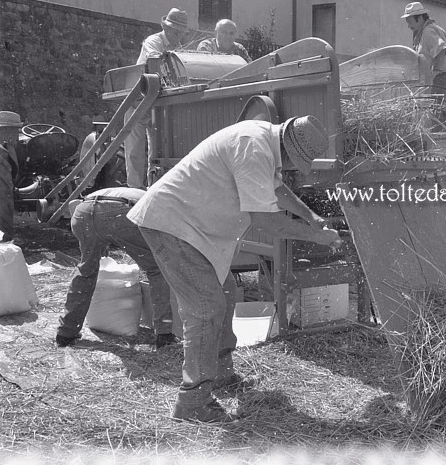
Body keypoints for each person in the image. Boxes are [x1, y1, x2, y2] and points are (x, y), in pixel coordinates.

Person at [127, 115, 342, 423]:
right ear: (289, 149)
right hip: (172, 224)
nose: (294, 168)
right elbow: (266, 222)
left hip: (193, 230)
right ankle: (192, 402)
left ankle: (222, 374)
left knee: (226, 292)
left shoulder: (263, 143)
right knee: (206, 306)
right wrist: (317, 236)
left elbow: (276, 189)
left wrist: (309, 216)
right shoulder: (252, 147)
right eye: (296, 162)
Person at [55, 187, 177, 350]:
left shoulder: (134, 192)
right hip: (119, 213)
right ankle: (164, 335)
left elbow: (86, 211)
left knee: (87, 270)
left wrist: (101, 238)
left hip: (83, 211)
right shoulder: (165, 206)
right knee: (157, 269)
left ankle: (65, 333)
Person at [124, 7, 189, 188]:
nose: (178, 35)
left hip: (159, 101)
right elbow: (155, 61)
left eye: (181, 32)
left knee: (158, 148)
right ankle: (134, 189)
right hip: (139, 99)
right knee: (135, 148)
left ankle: (155, 188)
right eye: (176, 31)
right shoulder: (153, 41)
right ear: (166, 27)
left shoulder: (178, 47)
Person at [401, 1, 446, 92]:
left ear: (420, 18)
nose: (409, 26)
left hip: (438, 81)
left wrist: (433, 74)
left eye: (410, 22)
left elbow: (441, 50)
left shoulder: (427, 32)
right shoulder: (436, 28)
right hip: (443, 79)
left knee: (433, 106)